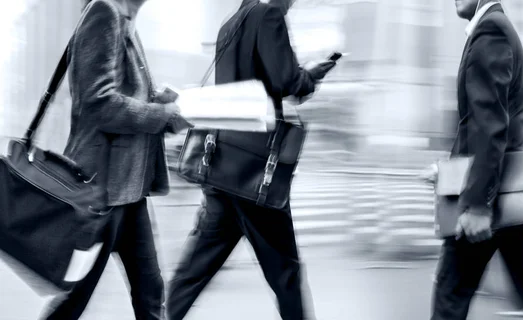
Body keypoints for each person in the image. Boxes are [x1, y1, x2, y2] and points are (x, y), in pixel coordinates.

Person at [165, 0, 336, 319]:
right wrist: (310, 76)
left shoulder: (229, 24)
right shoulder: (267, 14)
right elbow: (287, 81)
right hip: (256, 172)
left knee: (193, 272)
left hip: (220, 166)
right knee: (286, 273)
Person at [429, 0, 523, 319]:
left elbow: (490, 125)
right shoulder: (494, 29)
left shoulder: (491, 31)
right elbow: (483, 125)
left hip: (490, 195)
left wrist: (477, 205)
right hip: (505, 190)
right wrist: (447, 174)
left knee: (450, 296)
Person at [40, 0, 192, 319]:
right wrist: (161, 115)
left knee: (150, 293)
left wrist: (160, 103)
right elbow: (98, 103)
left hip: (128, 192)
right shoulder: (104, 12)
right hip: (101, 190)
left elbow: (126, 97)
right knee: (73, 301)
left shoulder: (125, 19)